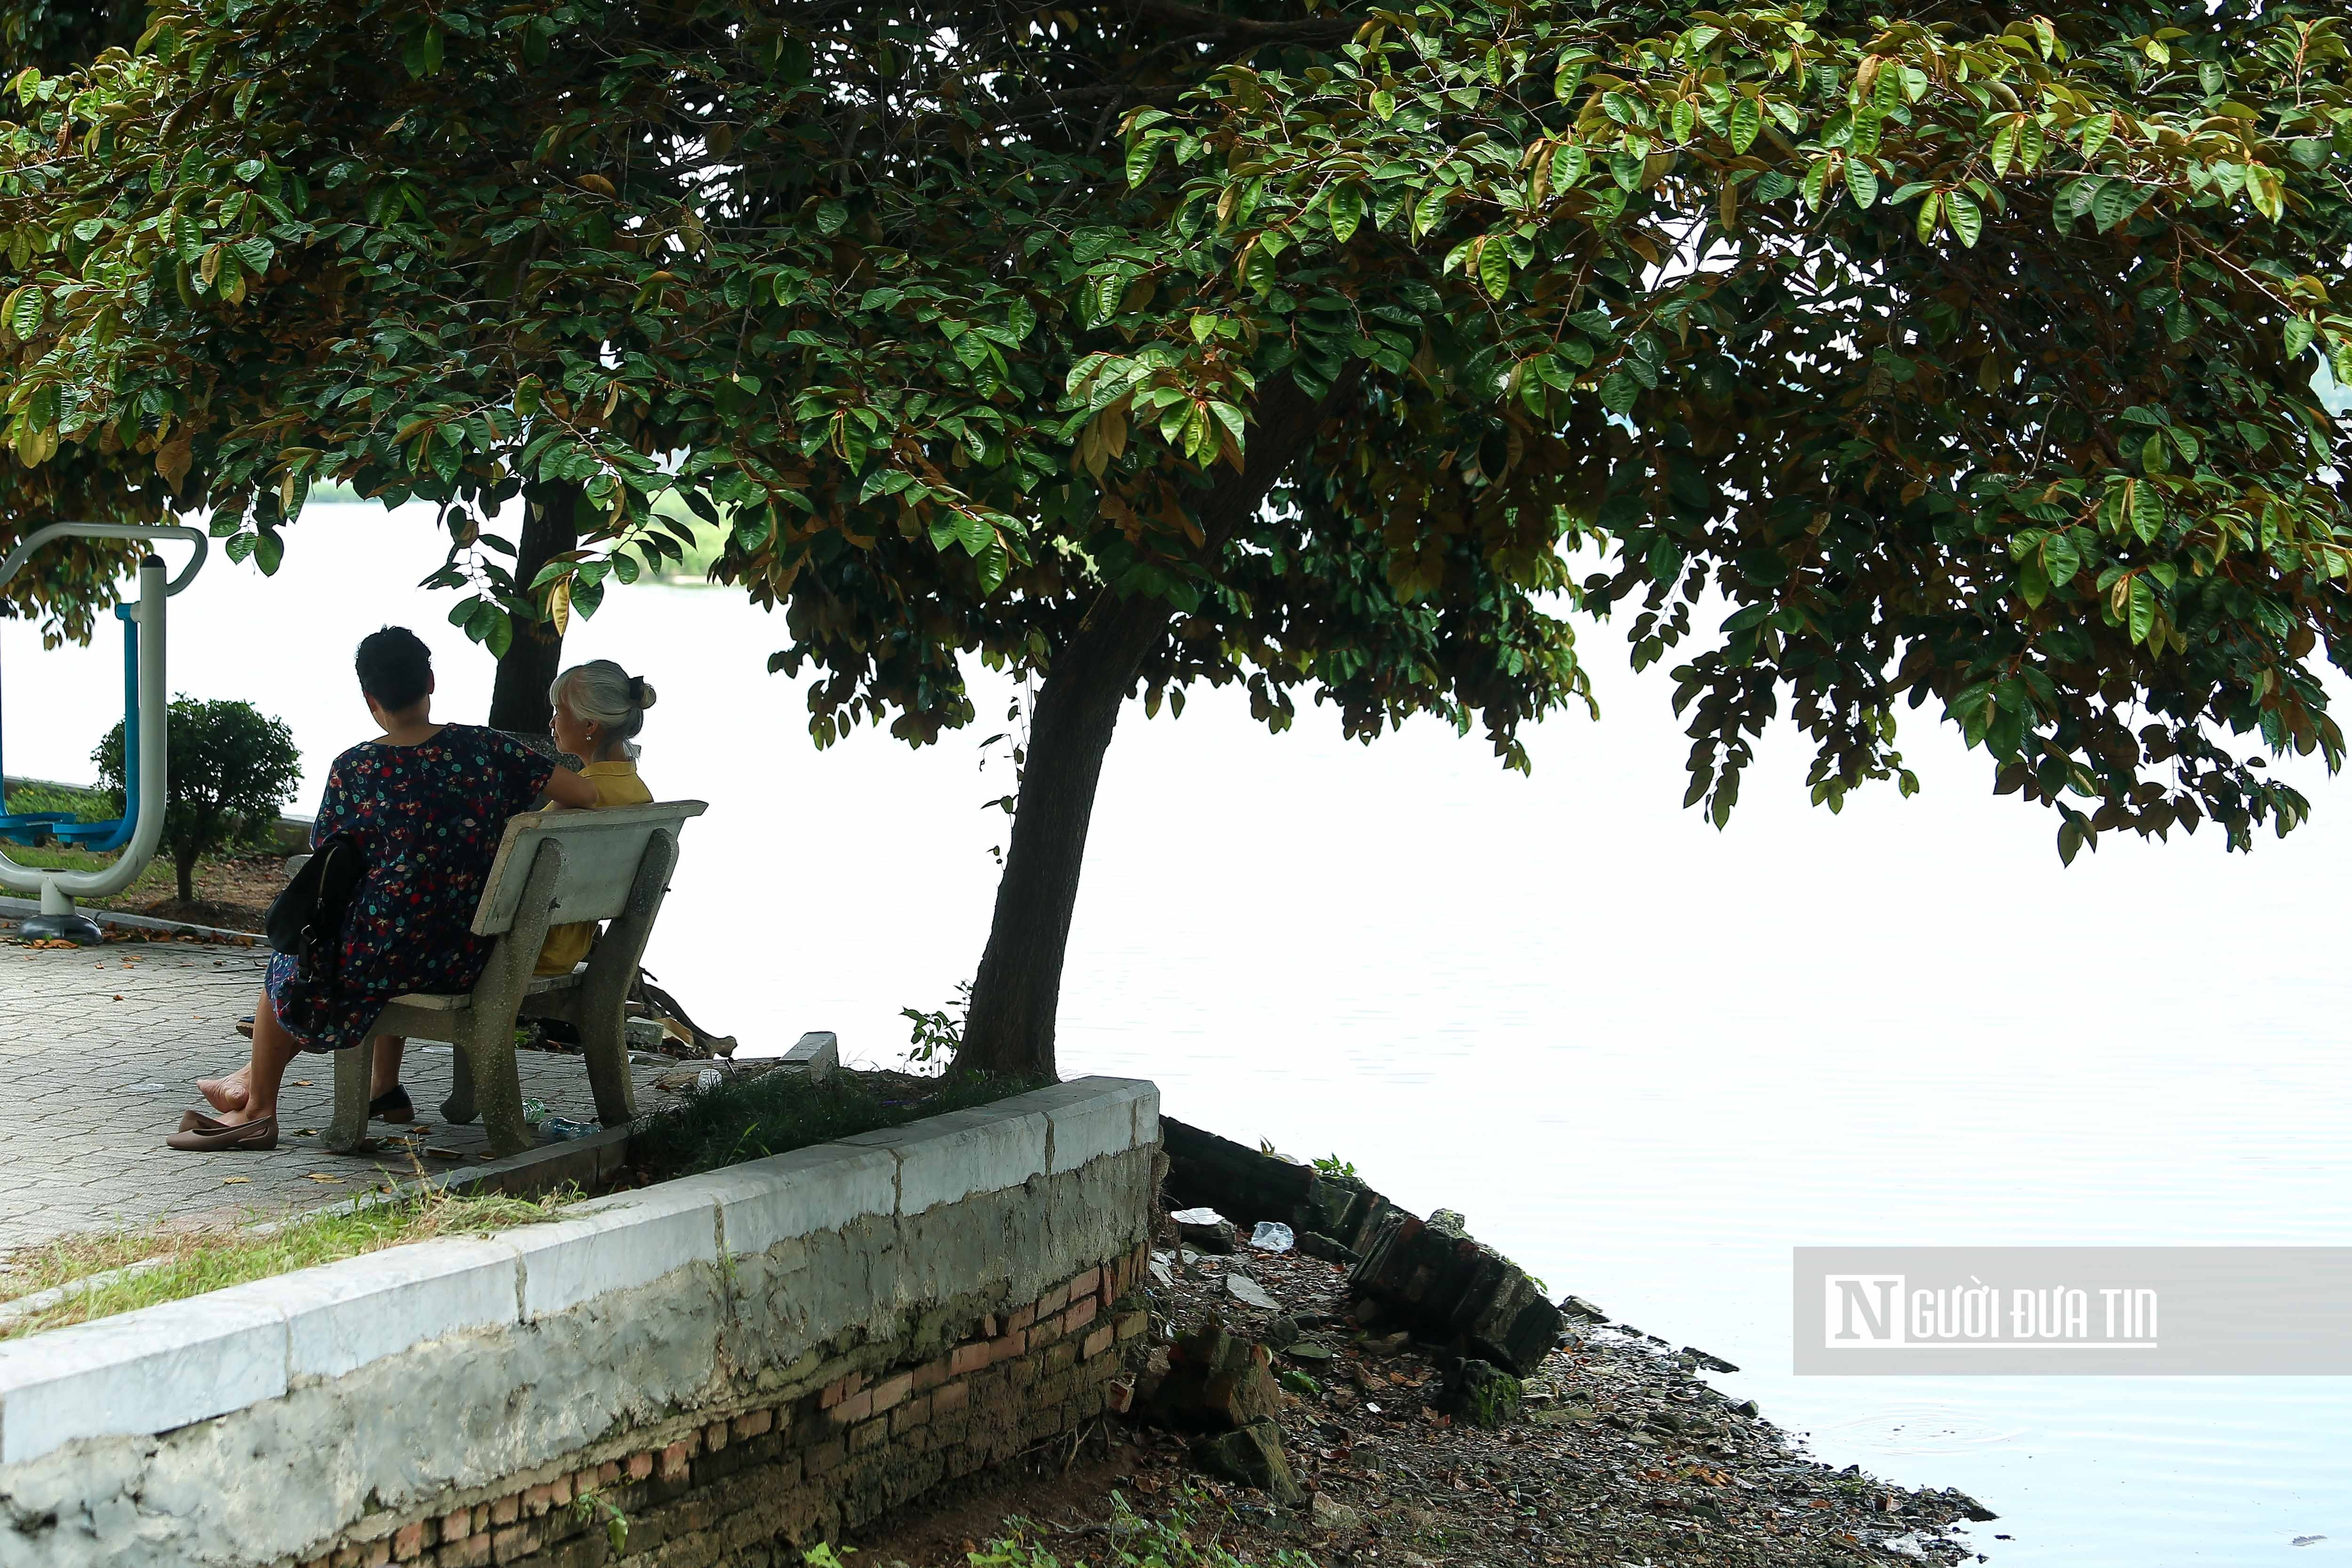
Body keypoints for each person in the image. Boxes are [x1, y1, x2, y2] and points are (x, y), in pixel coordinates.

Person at [172, 628, 600, 1151]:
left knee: (292, 956)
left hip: (390, 955)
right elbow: (585, 794)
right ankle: (383, 1089)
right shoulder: (487, 748)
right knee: (383, 928)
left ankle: (257, 1109)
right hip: (469, 950)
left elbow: (329, 854)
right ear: (431, 681)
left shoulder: (355, 768)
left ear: (370, 699)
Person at [534, 660, 657, 974]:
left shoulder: (582, 796)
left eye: (559, 712)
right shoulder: (637, 791)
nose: (552, 722)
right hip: (568, 949)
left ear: (590, 726)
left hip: (531, 945)